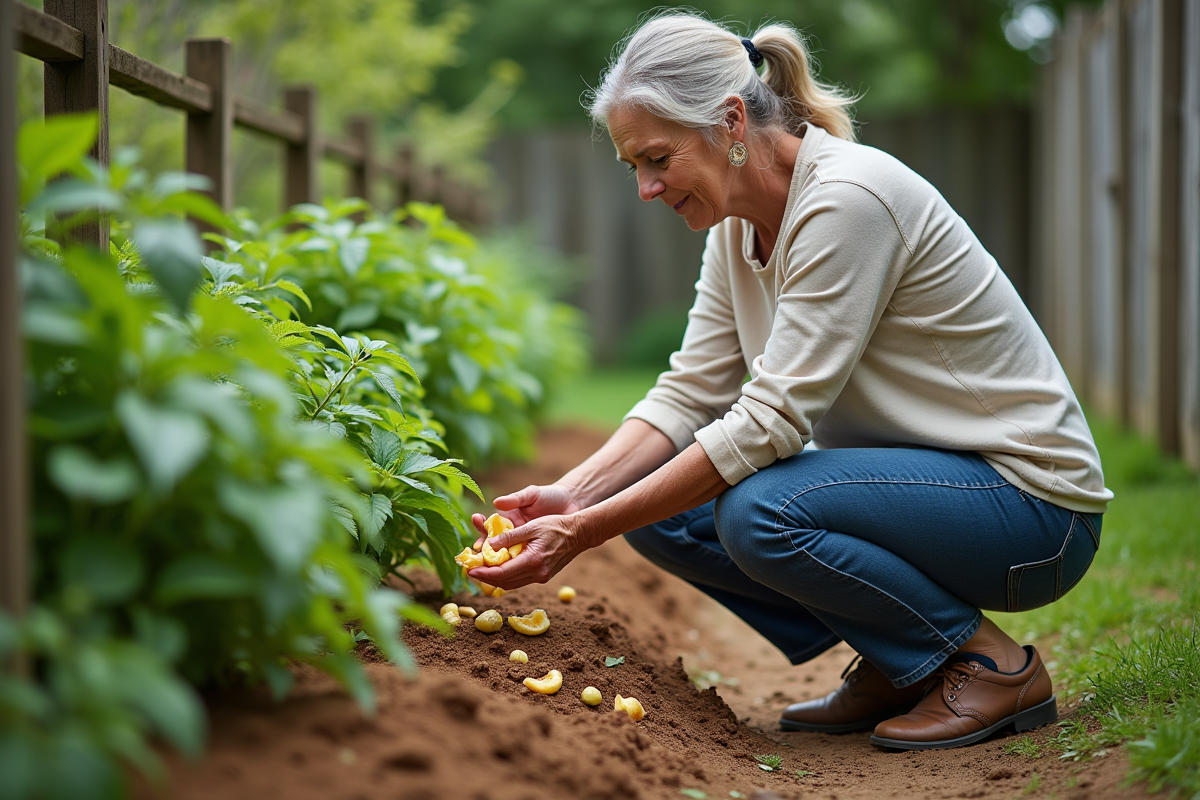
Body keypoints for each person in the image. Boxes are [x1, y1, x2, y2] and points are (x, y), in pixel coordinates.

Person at [466, 12, 1112, 751]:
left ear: (730, 120)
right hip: (933, 495)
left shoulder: (848, 199)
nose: (645, 188)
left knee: (758, 510)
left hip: (1031, 510)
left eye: (655, 158)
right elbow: (690, 391)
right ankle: (906, 663)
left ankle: (989, 666)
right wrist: (578, 494)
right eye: (632, 168)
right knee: (654, 507)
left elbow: (770, 423)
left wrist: (582, 532)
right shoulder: (735, 227)